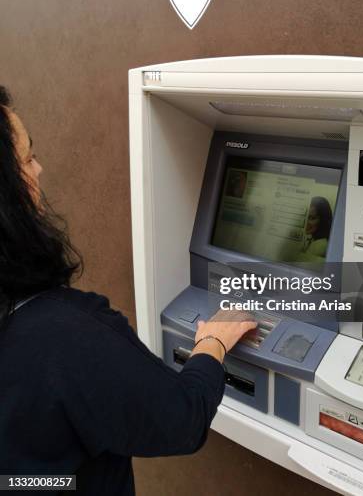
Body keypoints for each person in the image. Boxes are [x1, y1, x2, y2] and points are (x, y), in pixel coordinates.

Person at [0, 86, 257, 495]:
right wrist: (211, 344)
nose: (39, 169)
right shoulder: (62, 335)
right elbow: (180, 419)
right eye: (28, 158)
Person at [300, 196, 333, 263]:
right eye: (305, 216)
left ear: (323, 220)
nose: (306, 222)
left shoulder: (320, 245)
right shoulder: (315, 239)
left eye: (312, 218)